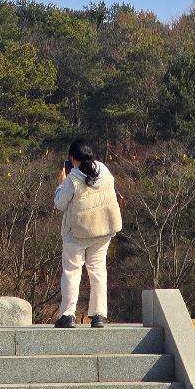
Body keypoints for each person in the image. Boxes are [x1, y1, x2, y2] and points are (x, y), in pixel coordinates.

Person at [53, 139, 122, 328]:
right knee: (98, 270)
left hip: (77, 232)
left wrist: (60, 185)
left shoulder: (72, 178)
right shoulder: (104, 170)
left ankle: (68, 315)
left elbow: (60, 204)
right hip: (103, 229)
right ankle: (98, 315)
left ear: (72, 158)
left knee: (72, 271)